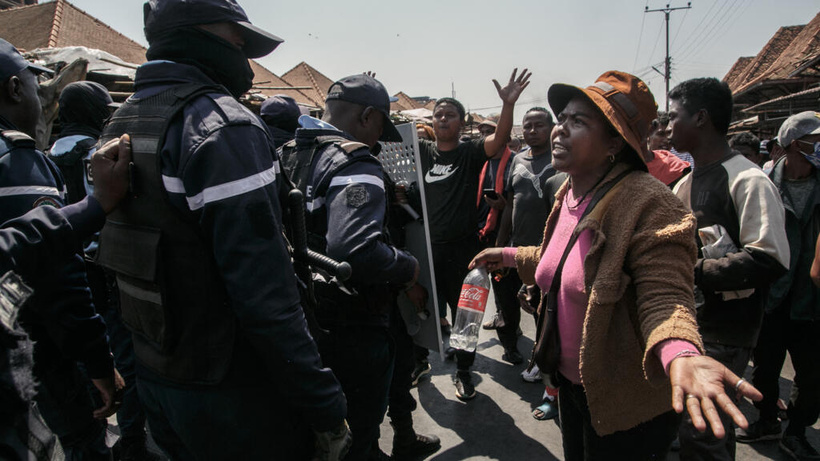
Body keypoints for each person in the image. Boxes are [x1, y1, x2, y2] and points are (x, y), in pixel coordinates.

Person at [95, 1, 349, 459]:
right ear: (198, 35)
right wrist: (324, 403)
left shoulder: (122, 119)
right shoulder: (221, 126)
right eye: (237, 40)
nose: (245, 58)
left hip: (158, 376)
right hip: (231, 395)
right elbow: (265, 295)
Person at [470, 70, 763, 461]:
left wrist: (681, 354)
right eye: (563, 119)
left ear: (614, 142)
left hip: (624, 401)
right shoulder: (569, 192)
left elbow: (665, 295)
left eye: (578, 122)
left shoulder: (649, 202)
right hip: (571, 386)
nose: (560, 131)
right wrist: (507, 255)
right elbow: (571, 263)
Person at [280, 73, 424, 461]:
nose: (380, 138)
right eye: (380, 126)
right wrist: (406, 265)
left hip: (304, 317)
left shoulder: (289, 151)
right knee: (358, 434)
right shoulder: (355, 160)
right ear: (367, 117)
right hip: (353, 325)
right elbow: (356, 251)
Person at [0, 37, 124, 461]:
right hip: (41, 346)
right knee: (82, 441)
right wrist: (97, 361)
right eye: (36, 88)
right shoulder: (18, 159)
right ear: (15, 89)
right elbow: (57, 277)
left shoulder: (48, 150)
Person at [669, 77, 789, 461]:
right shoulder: (684, 185)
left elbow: (769, 259)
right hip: (690, 326)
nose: (668, 126)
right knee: (694, 433)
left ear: (701, 118)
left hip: (726, 332)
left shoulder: (748, 179)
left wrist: (695, 271)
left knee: (704, 435)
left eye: (674, 117)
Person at [49, 81, 158, 461]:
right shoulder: (96, 155)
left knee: (78, 354)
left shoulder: (48, 155)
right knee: (122, 354)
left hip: (59, 270)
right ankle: (130, 438)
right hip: (101, 268)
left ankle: (91, 424)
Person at [418, 69, 530, 401]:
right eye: (438, 114)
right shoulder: (422, 151)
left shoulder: (468, 153)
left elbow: (500, 139)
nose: (441, 118)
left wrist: (508, 105)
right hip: (427, 249)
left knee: (465, 316)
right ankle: (420, 362)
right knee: (422, 310)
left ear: (461, 122)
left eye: (449, 114)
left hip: (464, 251)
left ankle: (464, 373)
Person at [736, 111, 820, 461]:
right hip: (770, 296)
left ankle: (797, 431)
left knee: (812, 374)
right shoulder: (763, 182)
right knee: (766, 368)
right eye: (815, 140)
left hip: (812, 299)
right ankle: (767, 420)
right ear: (795, 144)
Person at [494, 107, 563, 420]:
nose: (532, 130)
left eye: (539, 125)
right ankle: (526, 353)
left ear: (552, 127)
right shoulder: (517, 161)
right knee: (515, 304)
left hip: (548, 253)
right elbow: (510, 205)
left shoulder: (562, 160)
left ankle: (547, 372)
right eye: (527, 125)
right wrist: (500, 244)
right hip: (516, 251)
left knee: (546, 315)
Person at [644, 110, 691, 187]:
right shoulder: (633, 165)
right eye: (661, 134)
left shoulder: (678, 169)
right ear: (649, 134)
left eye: (669, 134)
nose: (666, 140)